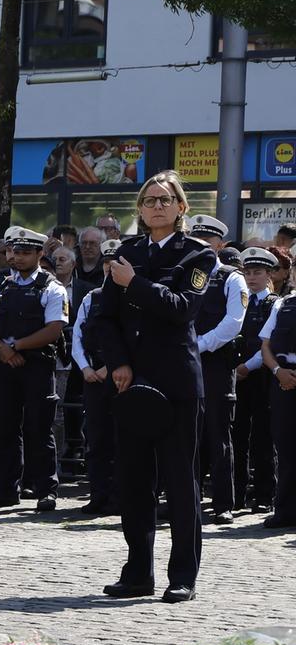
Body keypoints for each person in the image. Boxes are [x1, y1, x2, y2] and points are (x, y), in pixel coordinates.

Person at [94, 171, 215, 603]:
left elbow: (183, 310)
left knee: (182, 484)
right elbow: (103, 318)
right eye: (149, 200)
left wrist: (136, 284)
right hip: (131, 383)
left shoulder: (197, 256)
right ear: (140, 211)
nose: (157, 206)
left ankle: (182, 574)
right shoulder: (126, 252)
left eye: (166, 199)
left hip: (177, 384)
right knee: (134, 481)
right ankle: (137, 572)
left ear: (181, 207)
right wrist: (119, 363)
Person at [0, 228, 69, 512]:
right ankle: (6, 488)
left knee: (40, 428)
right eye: (14, 252)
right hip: (4, 363)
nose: (17, 258)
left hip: (38, 365)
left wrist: (16, 346)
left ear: (40, 254)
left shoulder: (52, 287)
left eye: (25, 253)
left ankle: (46, 489)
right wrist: (3, 350)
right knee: (5, 427)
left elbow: (54, 329)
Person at [185, 215, 247, 523]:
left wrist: (199, 344)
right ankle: (186, 502)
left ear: (220, 245)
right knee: (185, 437)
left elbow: (234, 323)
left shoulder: (232, 278)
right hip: (183, 365)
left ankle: (223, 503)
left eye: (208, 242)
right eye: (197, 241)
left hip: (215, 366)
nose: (202, 247)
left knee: (219, 437)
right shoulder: (184, 275)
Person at [71, 240, 122, 517]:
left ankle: (117, 498)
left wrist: (109, 367)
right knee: (96, 439)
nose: (109, 268)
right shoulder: (92, 297)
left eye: (114, 263)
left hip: (120, 377)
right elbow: (77, 336)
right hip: (92, 377)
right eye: (106, 264)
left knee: (119, 440)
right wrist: (85, 368)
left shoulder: (131, 296)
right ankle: (98, 495)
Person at [234, 245, 283, 514]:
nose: (252, 278)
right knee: (237, 436)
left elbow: (270, 343)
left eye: (258, 272)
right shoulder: (238, 300)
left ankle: (265, 494)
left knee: (263, 438)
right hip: (238, 378)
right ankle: (237, 492)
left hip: (262, 377)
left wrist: (246, 367)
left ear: (269, 276)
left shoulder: (273, 304)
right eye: (248, 272)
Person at [258, 251, 296, 527]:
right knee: (285, 447)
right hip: (283, 381)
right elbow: (266, 346)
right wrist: (277, 371)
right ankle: (284, 509)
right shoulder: (283, 304)